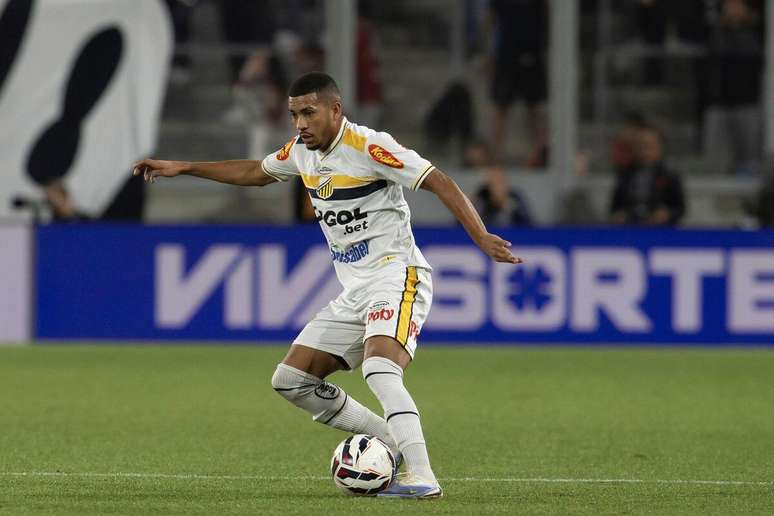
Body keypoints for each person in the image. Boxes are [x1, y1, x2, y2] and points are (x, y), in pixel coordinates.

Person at [133, 72, 522, 499]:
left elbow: (438, 180)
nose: (300, 123)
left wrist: (480, 235)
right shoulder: (302, 153)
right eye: (294, 115)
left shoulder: (369, 146)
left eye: (309, 112)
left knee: (380, 369)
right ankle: (390, 441)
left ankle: (422, 476)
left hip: (397, 274)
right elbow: (256, 171)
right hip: (355, 290)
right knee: (291, 380)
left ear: (336, 110)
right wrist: (184, 167)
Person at [609, 125, 686, 226]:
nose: (645, 150)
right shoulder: (625, 174)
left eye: (649, 146)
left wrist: (667, 214)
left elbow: (680, 209)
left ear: (660, 147)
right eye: (641, 146)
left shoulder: (670, 175)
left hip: (661, 230)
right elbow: (614, 207)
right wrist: (619, 215)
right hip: (630, 228)